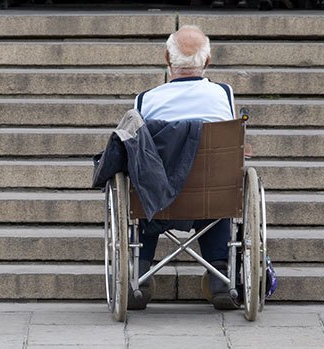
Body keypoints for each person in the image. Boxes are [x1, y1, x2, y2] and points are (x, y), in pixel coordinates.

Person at [131, 25, 238, 311]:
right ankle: (220, 274)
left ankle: (138, 272)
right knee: (217, 181)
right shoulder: (223, 95)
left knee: (145, 180)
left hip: (158, 200)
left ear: (167, 57)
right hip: (210, 198)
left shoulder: (145, 100)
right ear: (207, 61)